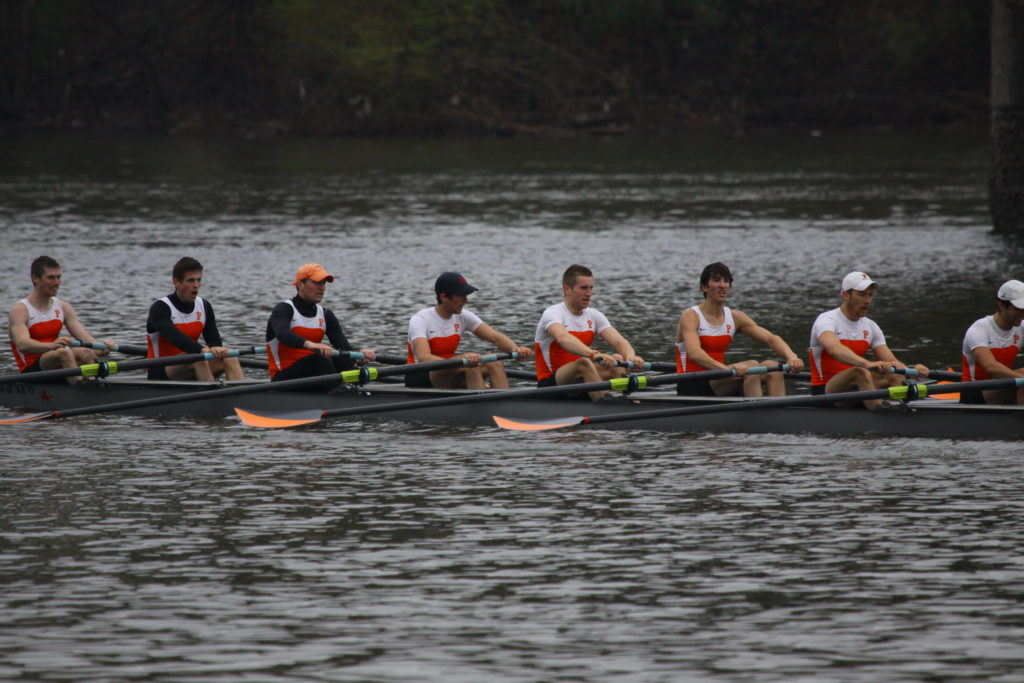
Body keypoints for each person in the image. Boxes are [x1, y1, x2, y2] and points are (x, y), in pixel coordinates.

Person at [675, 262, 804, 397]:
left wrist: (792, 357)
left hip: (720, 379)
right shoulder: (691, 316)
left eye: (726, 281)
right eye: (716, 280)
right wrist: (728, 371)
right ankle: (756, 411)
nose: (723, 285)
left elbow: (771, 339)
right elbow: (695, 354)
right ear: (703, 287)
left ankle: (779, 414)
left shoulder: (736, 317)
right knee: (752, 366)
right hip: (691, 383)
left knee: (774, 367)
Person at [809, 270, 929, 408]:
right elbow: (834, 349)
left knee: (894, 369)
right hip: (826, 392)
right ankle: (879, 414)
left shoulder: (871, 326)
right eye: (861, 295)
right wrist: (866, 364)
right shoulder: (826, 320)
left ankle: (905, 408)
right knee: (860, 372)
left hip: (858, 388)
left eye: (870, 295)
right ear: (845, 295)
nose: (867, 301)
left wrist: (912, 371)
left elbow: (892, 361)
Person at [534, 264, 644, 401]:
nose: (589, 293)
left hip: (581, 381)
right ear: (567, 289)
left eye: (591, 288)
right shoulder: (553, 313)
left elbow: (619, 341)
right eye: (583, 288)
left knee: (618, 359)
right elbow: (563, 338)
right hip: (551, 385)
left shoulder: (594, 315)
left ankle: (633, 404)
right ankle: (606, 405)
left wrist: (631, 359)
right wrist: (593, 354)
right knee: (584, 363)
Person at [405, 272, 533, 389]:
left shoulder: (463, 316)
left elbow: (496, 337)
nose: (466, 300)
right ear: (443, 297)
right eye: (461, 296)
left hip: (450, 370)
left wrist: (515, 349)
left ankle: (503, 405)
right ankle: (483, 407)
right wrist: (460, 361)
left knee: (494, 362)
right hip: (420, 376)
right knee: (469, 364)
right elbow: (424, 357)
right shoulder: (420, 319)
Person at [8, 255, 115, 383]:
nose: (57, 282)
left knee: (86, 352)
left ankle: (96, 386)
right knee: (63, 352)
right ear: (35, 278)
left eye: (59, 277)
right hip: (31, 371)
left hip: (56, 359)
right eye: (51, 278)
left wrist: (101, 348)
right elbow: (22, 344)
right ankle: (80, 391)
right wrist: (51, 346)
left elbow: (85, 338)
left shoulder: (63, 306)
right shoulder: (20, 310)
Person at [266, 263, 375, 384]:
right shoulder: (283, 309)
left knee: (341, 356)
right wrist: (312, 345)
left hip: (313, 375)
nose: (322, 288)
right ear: (301, 285)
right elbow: (283, 334)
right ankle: (339, 392)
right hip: (283, 379)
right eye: (317, 282)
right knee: (320, 359)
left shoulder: (326, 314)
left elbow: (343, 346)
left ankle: (352, 390)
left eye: (323, 283)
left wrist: (359, 357)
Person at [146, 257, 244, 381]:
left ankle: (241, 397)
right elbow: (175, 337)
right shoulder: (160, 308)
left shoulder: (204, 305)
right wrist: (201, 349)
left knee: (230, 356)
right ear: (176, 282)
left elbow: (214, 340)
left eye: (199, 280)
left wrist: (216, 348)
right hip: (160, 370)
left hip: (192, 360)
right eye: (191, 280)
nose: (196, 286)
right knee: (197, 357)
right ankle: (210, 397)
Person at [960, 279, 1024, 405]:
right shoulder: (979, 329)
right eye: (1018, 308)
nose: (1023, 314)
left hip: (1002, 385)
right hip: (974, 392)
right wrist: (1022, 379)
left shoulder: (1021, 327)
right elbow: (990, 367)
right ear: (1002, 305)